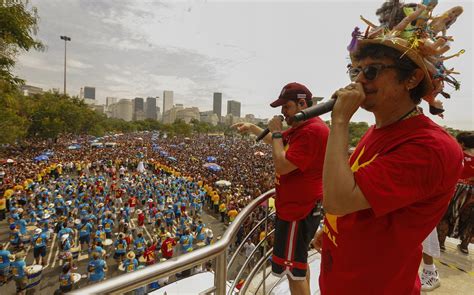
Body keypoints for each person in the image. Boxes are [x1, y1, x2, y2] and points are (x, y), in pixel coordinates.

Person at [313, 2, 464, 293]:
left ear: (412, 78)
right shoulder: (378, 130)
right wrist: (330, 228)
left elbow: (339, 200)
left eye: (371, 71)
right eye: (354, 70)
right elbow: (352, 191)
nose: (358, 80)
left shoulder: (430, 147)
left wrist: (340, 121)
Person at [233, 82, 329, 295]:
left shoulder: (312, 131)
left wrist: (277, 132)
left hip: (299, 210)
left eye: (286, 107)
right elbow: (275, 141)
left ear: (302, 103)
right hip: (295, 207)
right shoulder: (300, 128)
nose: (283, 113)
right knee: (299, 265)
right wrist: (252, 128)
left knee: (293, 271)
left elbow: (283, 165)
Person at [438, 132, 474, 254]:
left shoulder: (459, 155)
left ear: (462, 143)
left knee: (446, 216)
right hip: (472, 193)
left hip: (457, 189)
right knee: (469, 220)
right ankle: (464, 246)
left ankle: (441, 243)